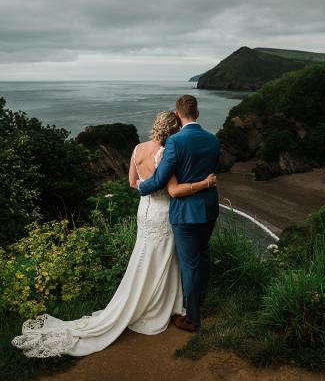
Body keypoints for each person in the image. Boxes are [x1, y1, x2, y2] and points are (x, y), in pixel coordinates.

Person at [11, 110, 216, 358]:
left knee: (144, 256)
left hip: (144, 212)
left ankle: (145, 300)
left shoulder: (138, 149)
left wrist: (143, 187)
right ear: (173, 131)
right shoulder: (165, 153)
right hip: (162, 213)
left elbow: (132, 182)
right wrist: (202, 182)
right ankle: (161, 305)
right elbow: (170, 188)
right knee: (164, 259)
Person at [138, 95, 220, 332]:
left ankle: (192, 318)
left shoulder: (175, 141)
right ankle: (199, 298)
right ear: (198, 113)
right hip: (209, 208)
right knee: (203, 255)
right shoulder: (213, 140)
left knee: (189, 264)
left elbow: (161, 179)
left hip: (186, 213)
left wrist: (141, 188)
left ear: (177, 114)